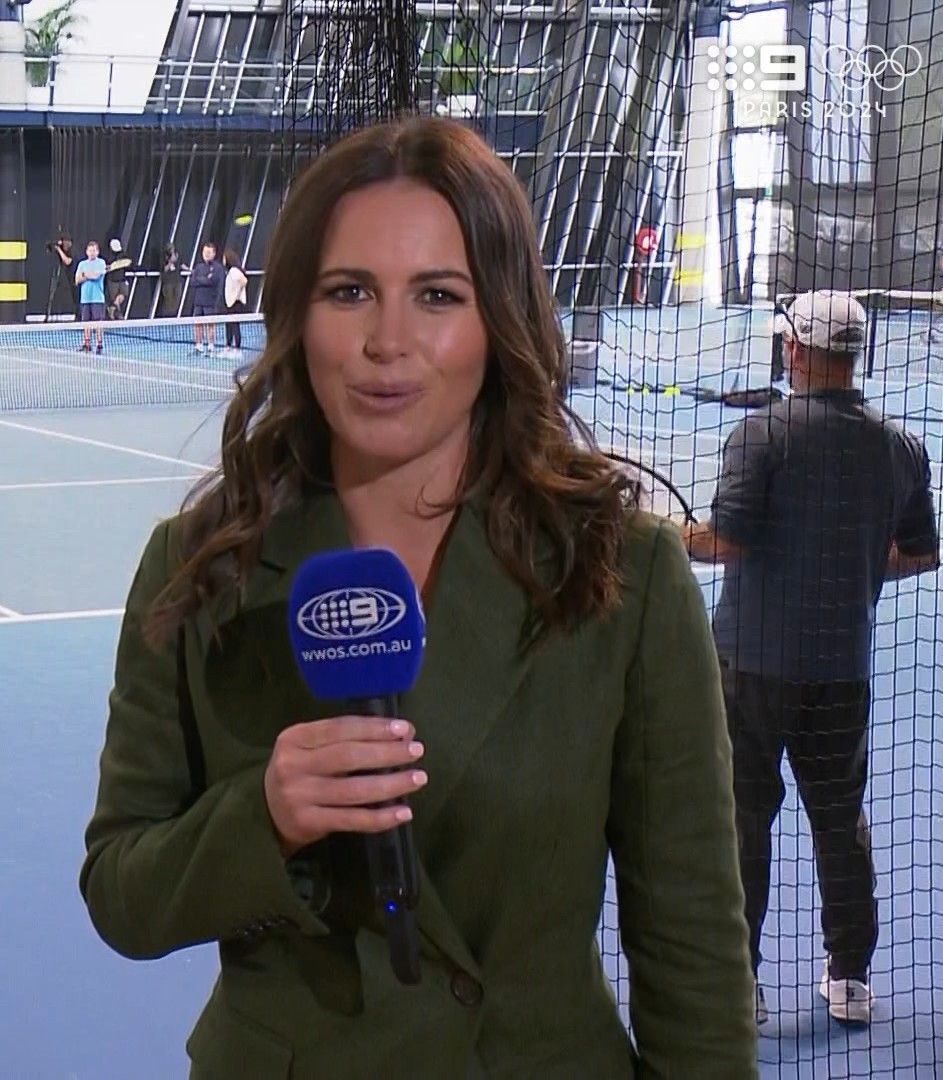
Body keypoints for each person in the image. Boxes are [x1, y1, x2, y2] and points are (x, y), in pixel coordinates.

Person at [79, 116, 757, 1077]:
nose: (387, 342)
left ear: (498, 320)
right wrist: (263, 816)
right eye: (349, 292)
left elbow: (693, 947)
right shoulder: (198, 567)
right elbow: (123, 893)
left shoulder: (622, 573)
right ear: (298, 314)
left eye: (438, 295)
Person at [683, 289, 941, 1028]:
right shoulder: (899, 446)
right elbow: (920, 553)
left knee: (741, 820)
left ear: (794, 349)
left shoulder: (761, 434)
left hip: (748, 670)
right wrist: (850, 561)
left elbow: (724, 542)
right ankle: (850, 976)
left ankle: (741, 982)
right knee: (840, 821)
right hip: (842, 670)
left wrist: (662, 532)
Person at [185, 241, 225, 352]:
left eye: (209, 252)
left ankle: (211, 345)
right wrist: (205, 279)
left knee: (210, 324)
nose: (206, 254)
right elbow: (193, 281)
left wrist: (202, 280)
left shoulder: (218, 268)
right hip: (198, 301)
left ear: (214, 253)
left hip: (210, 302)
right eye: (204, 252)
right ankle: (198, 345)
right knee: (197, 323)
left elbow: (213, 281)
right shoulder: (198, 267)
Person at [75, 240, 110, 353]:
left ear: (97, 252)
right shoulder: (82, 264)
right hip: (85, 298)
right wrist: (87, 275)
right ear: (86, 252)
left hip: (97, 299)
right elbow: (77, 280)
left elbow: (96, 276)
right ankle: (87, 344)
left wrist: (84, 274)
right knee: (86, 323)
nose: (92, 253)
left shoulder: (101, 263)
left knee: (98, 323)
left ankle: (99, 344)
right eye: (90, 251)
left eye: (94, 250)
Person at [221, 246, 251, 357]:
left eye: (224, 258)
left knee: (234, 325)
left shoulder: (234, 271)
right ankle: (228, 347)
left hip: (235, 303)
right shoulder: (230, 271)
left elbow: (244, 281)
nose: (223, 260)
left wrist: (236, 295)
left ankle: (237, 349)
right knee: (229, 325)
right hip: (230, 303)